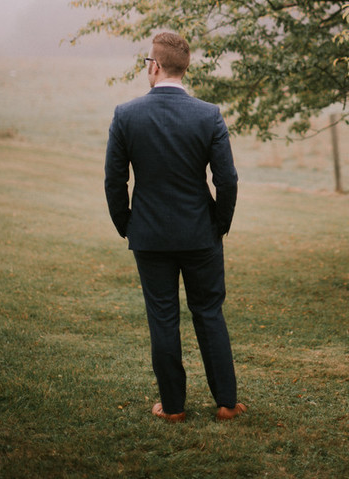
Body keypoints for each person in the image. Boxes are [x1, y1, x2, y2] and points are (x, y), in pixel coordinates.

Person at [104, 30, 245, 423]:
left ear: (155, 66)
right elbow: (227, 180)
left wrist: (127, 225)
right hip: (200, 233)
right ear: (184, 68)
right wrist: (218, 224)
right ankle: (226, 403)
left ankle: (173, 408)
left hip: (150, 235)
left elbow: (115, 181)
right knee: (209, 312)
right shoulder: (208, 114)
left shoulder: (126, 114)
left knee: (163, 316)